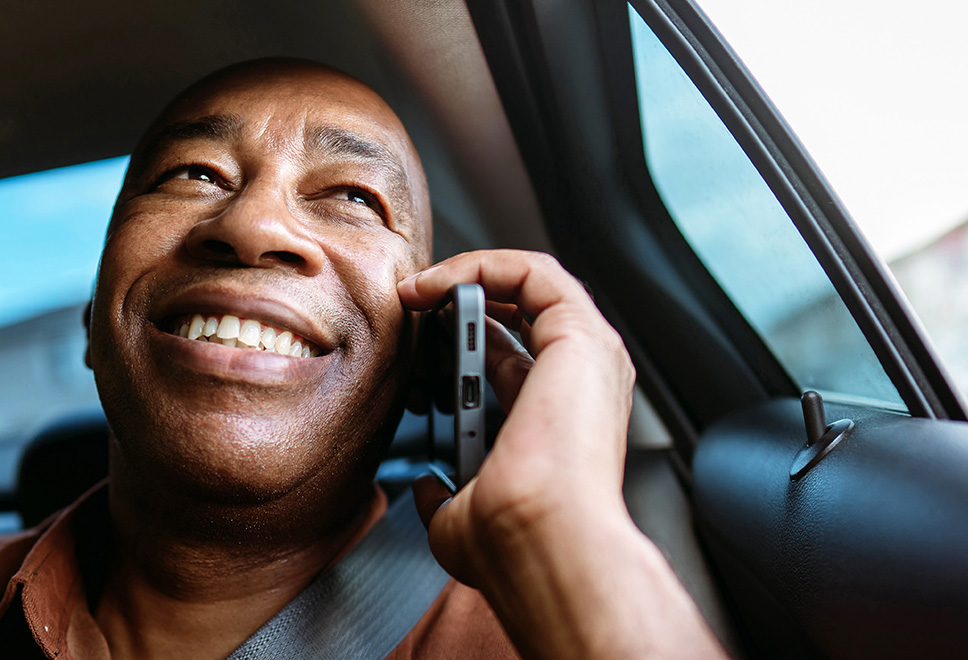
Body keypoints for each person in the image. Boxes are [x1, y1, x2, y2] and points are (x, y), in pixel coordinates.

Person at [0, 58, 726, 659]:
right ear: (97, 323)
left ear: (431, 354)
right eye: (194, 174)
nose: (253, 225)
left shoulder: (550, 632)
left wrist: (560, 540)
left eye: (354, 196)